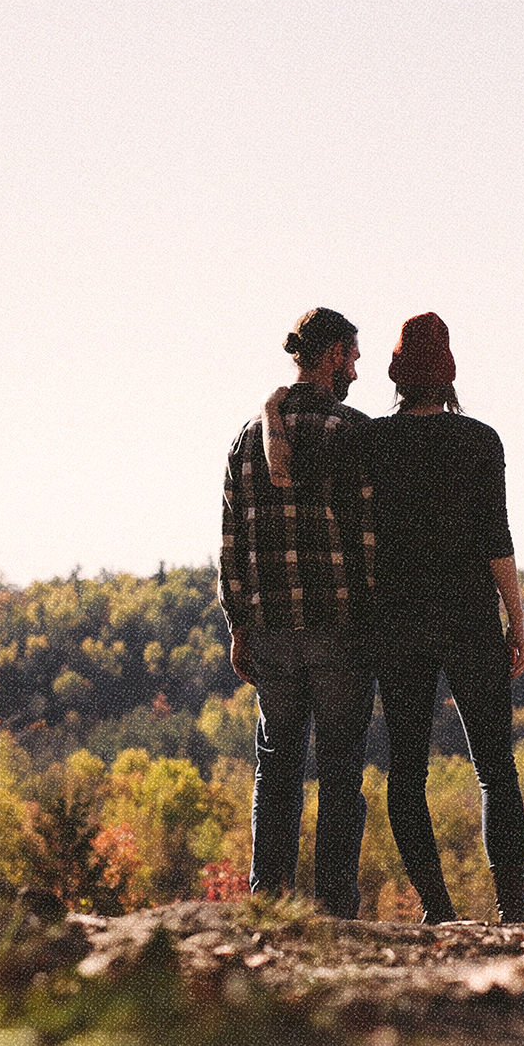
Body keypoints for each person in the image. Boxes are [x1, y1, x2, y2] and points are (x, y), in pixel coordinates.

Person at [363, 311, 524, 923]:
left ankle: (440, 910)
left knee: (406, 770)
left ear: (397, 376)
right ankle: (513, 911)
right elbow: (497, 539)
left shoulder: (373, 443)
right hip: (469, 619)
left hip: (398, 624)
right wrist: (518, 620)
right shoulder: (480, 442)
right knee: (495, 768)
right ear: (450, 374)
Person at [217, 307, 375, 919]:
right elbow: (370, 540)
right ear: (333, 354)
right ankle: (335, 907)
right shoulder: (354, 432)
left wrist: (239, 625)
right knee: (340, 770)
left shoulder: (246, 440)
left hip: (274, 631)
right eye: (354, 357)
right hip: (341, 630)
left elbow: (231, 542)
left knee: (276, 767)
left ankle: (269, 903)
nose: (358, 369)